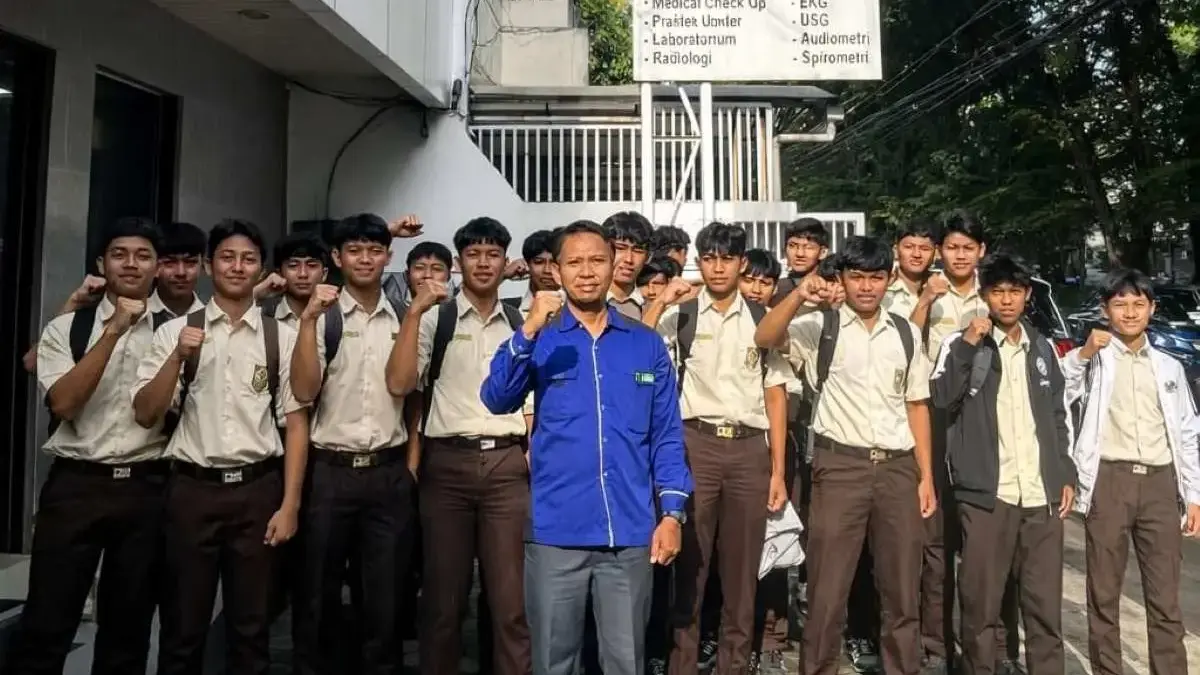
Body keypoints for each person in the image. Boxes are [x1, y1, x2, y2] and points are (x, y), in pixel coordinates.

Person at [480, 219, 693, 675]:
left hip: (629, 533)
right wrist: (530, 329)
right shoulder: (541, 339)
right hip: (557, 532)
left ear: (615, 264)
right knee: (555, 662)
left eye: (597, 260)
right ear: (555, 272)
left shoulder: (646, 344)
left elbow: (667, 436)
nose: (587, 271)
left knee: (625, 661)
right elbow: (497, 397)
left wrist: (672, 515)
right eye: (573, 262)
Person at [133, 218, 310, 675]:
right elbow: (146, 413)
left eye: (248, 258)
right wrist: (177, 358)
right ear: (210, 266)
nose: (237, 266)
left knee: (251, 629)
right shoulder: (175, 333)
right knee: (182, 627)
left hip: (257, 493)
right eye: (227, 258)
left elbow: (295, 423)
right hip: (192, 493)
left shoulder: (280, 336)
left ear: (260, 269)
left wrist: (290, 504)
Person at [755, 235, 937, 675]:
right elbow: (765, 336)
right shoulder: (822, 326)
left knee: (901, 593)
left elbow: (917, 405)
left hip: (898, 468)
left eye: (877, 277)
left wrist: (926, 475)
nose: (867, 287)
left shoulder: (907, 333)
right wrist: (800, 293)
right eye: (857, 277)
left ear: (889, 279)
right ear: (842, 279)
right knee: (826, 592)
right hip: (840, 468)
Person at [4, 218, 167, 675]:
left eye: (143, 255)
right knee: (47, 621)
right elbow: (65, 402)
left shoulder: (175, 331)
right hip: (76, 486)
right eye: (119, 254)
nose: (131, 264)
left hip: (145, 488)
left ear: (157, 266)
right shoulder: (67, 329)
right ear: (101, 264)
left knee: (128, 628)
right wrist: (113, 330)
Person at [389, 217, 531, 675]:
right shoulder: (436, 317)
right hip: (447, 465)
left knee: (510, 603)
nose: (484, 263)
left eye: (493, 254)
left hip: (508, 466)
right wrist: (413, 312)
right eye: (474, 254)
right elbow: (402, 383)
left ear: (505, 260)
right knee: (443, 601)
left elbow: (532, 398)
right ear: (457, 263)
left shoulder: (520, 322)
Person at [650, 223, 790, 675]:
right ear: (698, 261)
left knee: (742, 569)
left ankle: (735, 664)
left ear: (741, 263)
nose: (716, 267)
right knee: (690, 564)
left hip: (750, 450)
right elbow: (638, 350)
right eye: (708, 258)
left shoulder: (762, 318)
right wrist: (659, 302)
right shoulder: (684, 312)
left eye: (726, 259)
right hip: (696, 446)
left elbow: (776, 396)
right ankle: (682, 664)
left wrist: (777, 472)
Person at [930, 253, 1075, 675]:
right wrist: (968, 343)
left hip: (1039, 497)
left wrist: (1063, 472)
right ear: (984, 295)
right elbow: (941, 398)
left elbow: (1057, 415)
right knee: (980, 606)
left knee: (1045, 609)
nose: (1007, 301)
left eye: (1015, 292)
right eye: (998, 292)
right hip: (987, 496)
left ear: (1027, 295)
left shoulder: (1042, 348)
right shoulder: (960, 344)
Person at [288, 214, 417, 675]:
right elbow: (303, 392)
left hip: (387, 471)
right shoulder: (322, 316)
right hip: (330, 472)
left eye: (375, 249)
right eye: (355, 250)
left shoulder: (405, 315)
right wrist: (306, 324)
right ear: (337, 259)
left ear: (388, 256)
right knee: (315, 594)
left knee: (384, 599)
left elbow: (405, 389)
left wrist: (411, 466)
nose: (365, 258)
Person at [1062, 269, 1200, 675]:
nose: (1129, 312)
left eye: (1138, 304)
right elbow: (1059, 392)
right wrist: (1082, 354)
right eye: (1120, 304)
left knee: (1165, 598)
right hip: (1109, 480)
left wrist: (1194, 495)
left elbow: (1189, 433)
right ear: (1106, 310)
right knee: (1103, 594)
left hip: (1160, 484)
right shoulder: (1093, 360)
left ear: (1152, 309)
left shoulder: (1170, 367)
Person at [908, 213, 986, 675]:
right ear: (941, 251)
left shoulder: (994, 295)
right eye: (952, 247)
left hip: (981, 429)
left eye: (968, 247)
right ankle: (934, 646)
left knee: (981, 546)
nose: (959, 255)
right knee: (934, 542)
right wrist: (924, 301)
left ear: (981, 251)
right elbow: (904, 345)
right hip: (933, 422)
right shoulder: (927, 294)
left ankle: (986, 648)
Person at [255, 232, 330, 330]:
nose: (303, 274)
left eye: (311, 265)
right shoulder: (262, 314)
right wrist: (256, 293)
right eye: (293, 265)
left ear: (324, 274)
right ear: (279, 273)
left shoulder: (336, 317)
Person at [149, 221, 209, 319]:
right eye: (169, 263)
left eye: (190, 262)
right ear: (155, 266)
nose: (181, 272)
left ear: (203, 266)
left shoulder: (213, 320)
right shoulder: (136, 317)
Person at [603, 211, 654, 320]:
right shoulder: (582, 303)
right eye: (620, 248)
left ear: (648, 256)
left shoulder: (652, 308)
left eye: (638, 250)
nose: (629, 259)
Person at [769, 218, 828, 305]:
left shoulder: (831, 289)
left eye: (808, 247)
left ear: (822, 252)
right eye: (792, 246)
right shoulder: (776, 289)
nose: (799, 254)